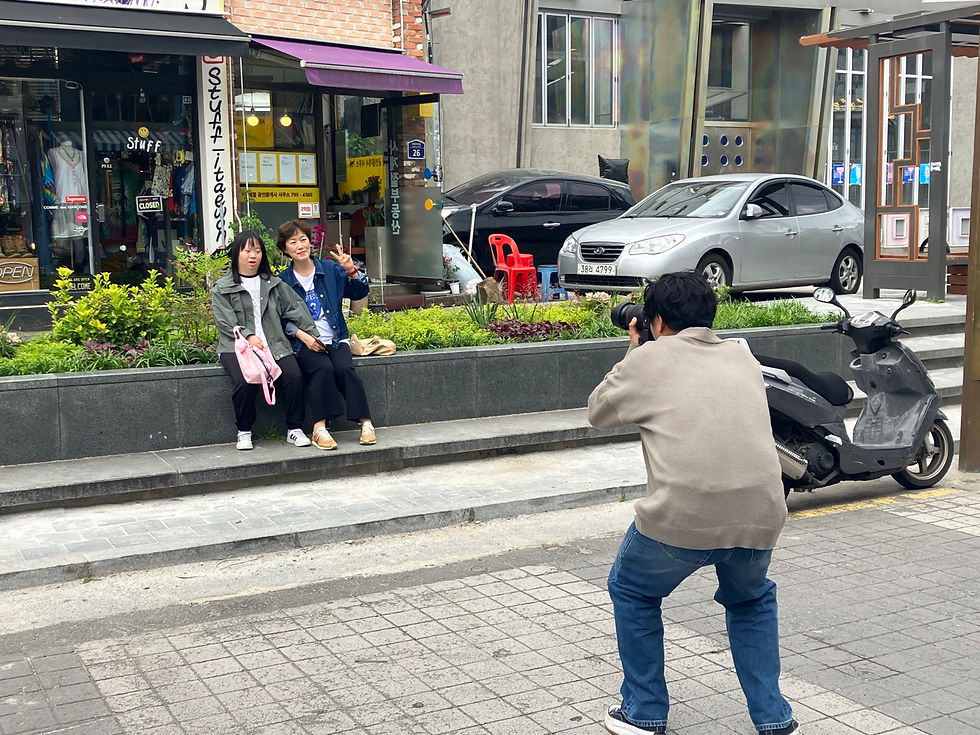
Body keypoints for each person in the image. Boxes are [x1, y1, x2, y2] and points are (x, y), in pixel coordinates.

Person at [588, 272, 798, 735]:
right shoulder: (741, 355)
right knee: (750, 600)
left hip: (681, 518)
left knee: (633, 591)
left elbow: (598, 411)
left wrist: (635, 350)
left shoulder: (649, 358)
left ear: (657, 321)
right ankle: (775, 719)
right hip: (760, 514)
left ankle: (644, 712)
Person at [212, 230, 319, 451]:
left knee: (293, 376)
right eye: (247, 251)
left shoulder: (273, 284)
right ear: (236, 254)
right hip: (237, 347)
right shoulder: (223, 287)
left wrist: (312, 335)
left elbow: (295, 309)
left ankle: (294, 429)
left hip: (274, 343)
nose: (253, 255)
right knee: (245, 382)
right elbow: (225, 321)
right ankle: (244, 431)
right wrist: (248, 336)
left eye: (257, 251)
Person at [276, 219, 376, 450]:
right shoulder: (283, 281)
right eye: (293, 242)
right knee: (323, 369)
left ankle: (366, 422)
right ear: (285, 249)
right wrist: (304, 336)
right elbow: (280, 318)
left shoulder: (330, 269)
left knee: (344, 369)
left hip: (336, 337)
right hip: (304, 343)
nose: (300, 246)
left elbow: (359, 292)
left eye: (303, 239)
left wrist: (351, 270)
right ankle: (319, 428)